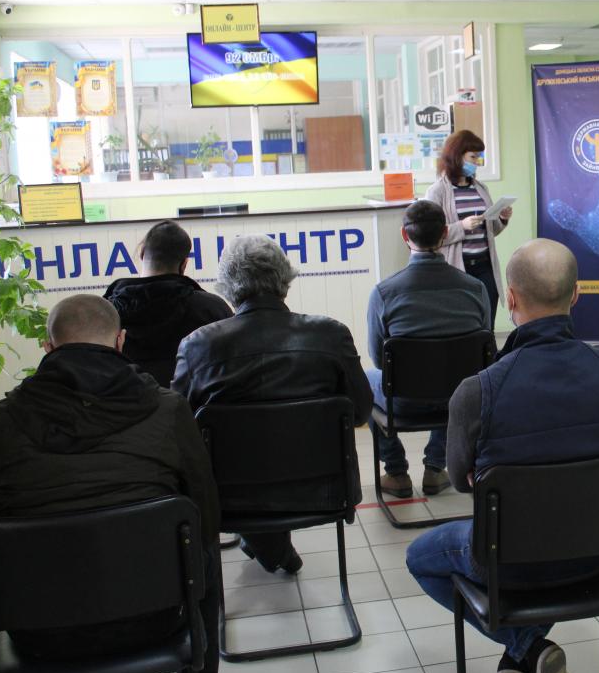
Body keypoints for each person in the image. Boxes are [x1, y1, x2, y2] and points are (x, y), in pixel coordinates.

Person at [406, 239, 599, 673]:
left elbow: (459, 480)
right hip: (598, 551)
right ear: (576, 295)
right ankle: (528, 654)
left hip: (508, 559)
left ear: (509, 299)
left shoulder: (478, 391)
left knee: (419, 557)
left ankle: (526, 646)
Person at [0, 295, 230, 673]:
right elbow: (207, 514)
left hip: (39, 635)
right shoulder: (167, 410)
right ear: (120, 341)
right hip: (160, 615)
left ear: (48, 347)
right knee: (205, 552)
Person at [173, 235, 373, 576]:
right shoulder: (330, 335)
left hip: (228, 498)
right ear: (285, 278)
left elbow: (179, 430)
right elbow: (361, 412)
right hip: (323, 490)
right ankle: (273, 547)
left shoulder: (198, 346)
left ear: (227, 286)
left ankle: (271, 547)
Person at [367, 199, 491, 498]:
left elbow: (379, 359)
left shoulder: (384, 293)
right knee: (452, 375)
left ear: (404, 235)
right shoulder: (476, 289)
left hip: (404, 401)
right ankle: (435, 468)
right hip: (460, 400)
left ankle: (396, 472)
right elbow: (485, 353)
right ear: (445, 233)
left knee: (364, 379)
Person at [103, 220, 232, 387]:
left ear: (142, 254)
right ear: (184, 264)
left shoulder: (106, 312)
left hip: (125, 402)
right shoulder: (212, 309)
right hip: (190, 403)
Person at [426, 130, 513, 329]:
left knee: (487, 324)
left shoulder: (481, 188)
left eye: (478, 157)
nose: (476, 162)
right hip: (457, 268)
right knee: (461, 325)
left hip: (485, 267)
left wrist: (502, 218)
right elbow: (431, 235)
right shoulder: (437, 191)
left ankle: (488, 351)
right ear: (457, 156)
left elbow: (491, 231)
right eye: (473, 157)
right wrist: (461, 227)